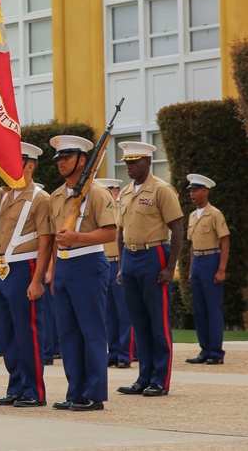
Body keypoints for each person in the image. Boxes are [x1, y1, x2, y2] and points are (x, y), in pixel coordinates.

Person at [0, 142, 53, 408]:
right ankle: (16, 385)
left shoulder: (40, 198)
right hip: (1, 268)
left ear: (29, 166)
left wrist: (37, 279)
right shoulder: (3, 195)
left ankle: (34, 390)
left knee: (27, 332)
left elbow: (45, 242)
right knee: (6, 333)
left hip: (24, 267)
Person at [47, 136, 116, 411]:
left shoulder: (98, 193)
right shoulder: (56, 196)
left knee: (92, 332)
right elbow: (54, 237)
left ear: (83, 159)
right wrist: (53, 270)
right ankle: (75, 390)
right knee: (68, 335)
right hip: (64, 266)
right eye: (59, 158)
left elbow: (110, 232)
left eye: (68, 156)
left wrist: (78, 237)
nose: (61, 162)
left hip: (88, 263)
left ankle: (94, 393)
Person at [115, 141, 183, 398]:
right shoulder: (126, 191)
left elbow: (177, 230)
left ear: (148, 162)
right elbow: (120, 232)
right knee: (139, 321)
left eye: (134, 162)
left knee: (158, 321)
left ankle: (160, 379)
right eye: (127, 162)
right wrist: (122, 266)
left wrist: (169, 267)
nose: (130, 167)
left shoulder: (161, 190)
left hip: (154, 253)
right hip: (131, 257)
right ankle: (144, 377)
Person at [184, 174, 229, 366]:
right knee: (200, 308)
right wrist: (191, 268)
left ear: (206, 191)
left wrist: (221, 269)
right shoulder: (193, 216)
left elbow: (224, 241)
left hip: (212, 258)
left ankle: (216, 351)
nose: (192, 194)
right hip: (198, 262)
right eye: (191, 191)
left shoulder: (215, 214)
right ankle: (204, 349)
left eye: (196, 190)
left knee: (213, 308)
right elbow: (193, 244)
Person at [96, 178, 135, 369]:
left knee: (123, 312)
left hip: (119, 261)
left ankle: (125, 354)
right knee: (108, 312)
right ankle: (113, 350)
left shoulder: (122, 211)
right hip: (104, 262)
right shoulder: (100, 212)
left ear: (116, 192)